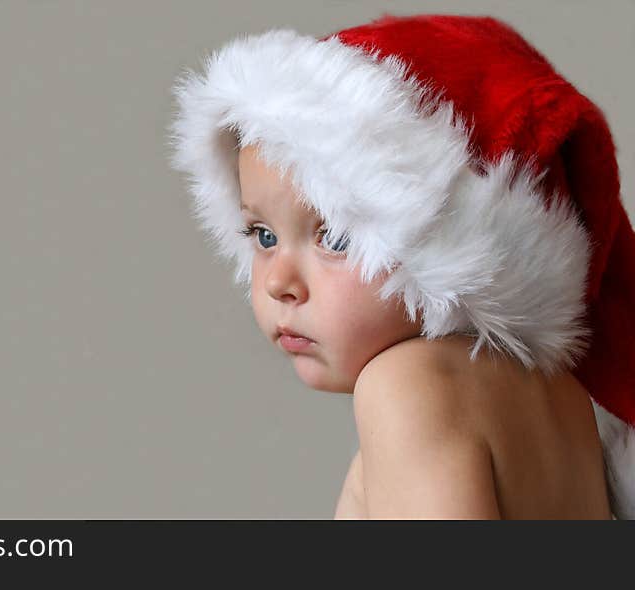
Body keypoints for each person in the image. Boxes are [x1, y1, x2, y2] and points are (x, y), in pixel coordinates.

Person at [167, 13, 635, 519]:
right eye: (263, 236)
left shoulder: (406, 384)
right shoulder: (563, 398)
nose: (279, 282)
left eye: (337, 237)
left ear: (443, 237)